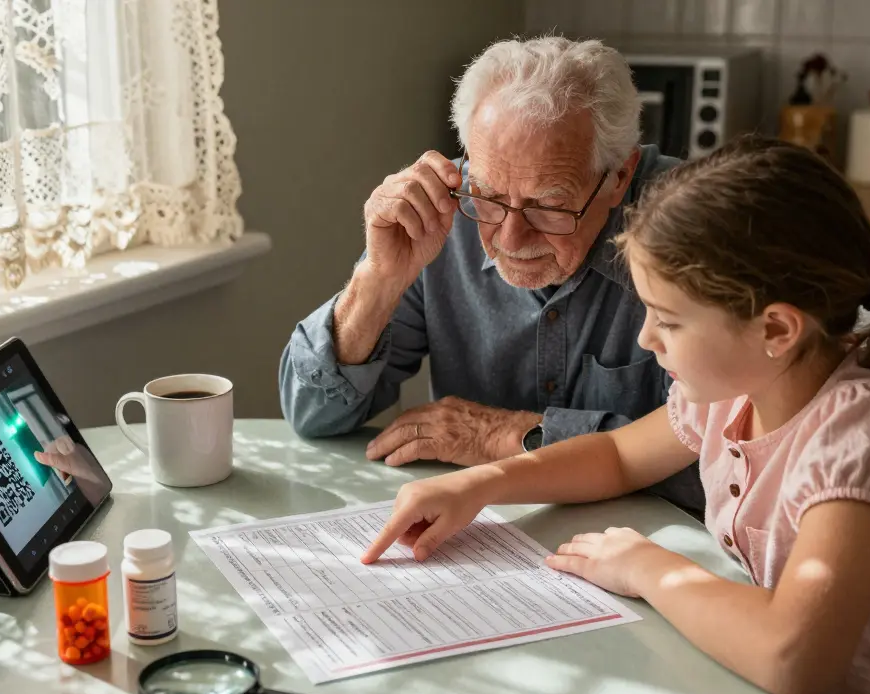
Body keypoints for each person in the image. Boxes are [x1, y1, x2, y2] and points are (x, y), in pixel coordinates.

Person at [360, 137, 870, 694]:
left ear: (776, 329)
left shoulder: (860, 434)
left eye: (669, 319)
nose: (646, 337)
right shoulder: (732, 393)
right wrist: (483, 485)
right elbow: (615, 456)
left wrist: (645, 568)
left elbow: (795, 656)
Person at [278, 36, 703, 514]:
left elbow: (716, 468)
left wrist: (509, 436)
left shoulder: (693, 227)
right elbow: (313, 415)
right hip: (482, 538)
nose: (511, 237)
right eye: (490, 196)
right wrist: (377, 279)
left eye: (549, 205)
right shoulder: (442, 208)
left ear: (619, 177)